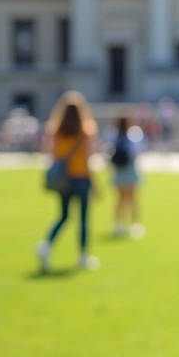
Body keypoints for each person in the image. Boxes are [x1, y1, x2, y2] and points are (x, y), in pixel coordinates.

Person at [36, 91, 101, 272]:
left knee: (64, 216)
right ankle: (83, 256)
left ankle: (46, 244)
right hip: (81, 178)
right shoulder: (86, 131)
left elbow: (53, 156)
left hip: (64, 179)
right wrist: (95, 185)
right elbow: (88, 161)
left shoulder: (56, 131)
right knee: (83, 219)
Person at [108, 112, 146, 239]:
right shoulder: (134, 134)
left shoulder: (114, 135)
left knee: (120, 199)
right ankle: (134, 224)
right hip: (130, 169)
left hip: (119, 170)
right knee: (132, 199)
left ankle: (119, 224)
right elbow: (138, 151)